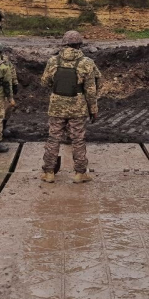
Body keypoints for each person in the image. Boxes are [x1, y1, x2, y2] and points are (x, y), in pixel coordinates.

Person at [40, 30, 102, 184]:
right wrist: (93, 110)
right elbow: (92, 89)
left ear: (64, 43)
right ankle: (80, 174)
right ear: (79, 44)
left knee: (53, 138)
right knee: (78, 140)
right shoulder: (87, 63)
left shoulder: (53, 61)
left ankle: (48, 172)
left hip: (56, 106)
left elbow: (44, 82)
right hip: (78, 107)